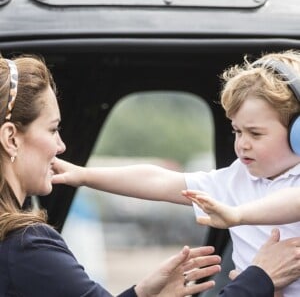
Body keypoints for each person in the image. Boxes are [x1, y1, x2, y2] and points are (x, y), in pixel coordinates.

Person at [52, 49, 300, 297]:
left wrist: (237, 214)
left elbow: (294, 201)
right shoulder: (235, 179)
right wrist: (83, 176)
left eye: (255, 134)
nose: (242, 144)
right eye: (237, 131)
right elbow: (158, 181)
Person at [0, 54, 223, 297]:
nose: (61, 145)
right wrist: (260, 277)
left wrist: (141, 293)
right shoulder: (24, 245)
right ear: (11, 139)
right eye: (52, 129)